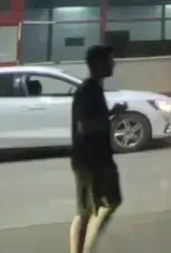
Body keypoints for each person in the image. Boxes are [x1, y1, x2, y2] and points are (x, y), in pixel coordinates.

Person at [70, 45, 128, 253]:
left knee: (112, 201)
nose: (113, 65)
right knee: (85, 212)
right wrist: (106, 119)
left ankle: (87, 247)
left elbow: (94, 119)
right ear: (98, 64)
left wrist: (111, 113)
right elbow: (84, 126)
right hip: (88, 160)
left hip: (101, 157)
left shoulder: (95, 88)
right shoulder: (86, 91)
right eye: (110, 61)